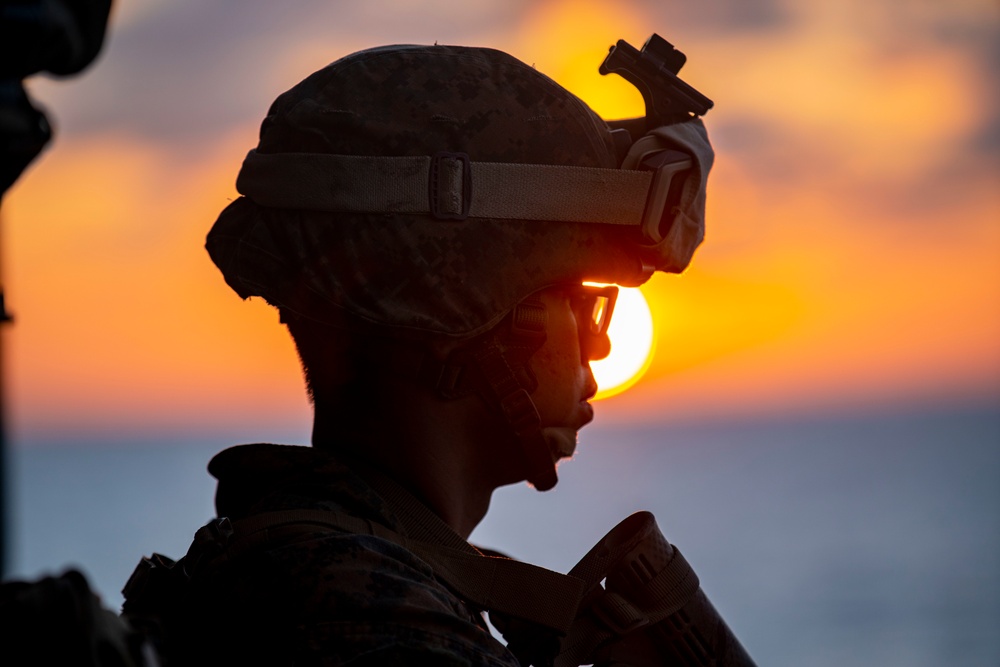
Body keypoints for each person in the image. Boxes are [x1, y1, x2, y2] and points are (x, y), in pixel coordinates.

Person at [123, 39, 722, 666]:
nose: (598, 345)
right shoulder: (377, 622)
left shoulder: (313, 567)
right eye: (579, 302)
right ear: (463, 310)